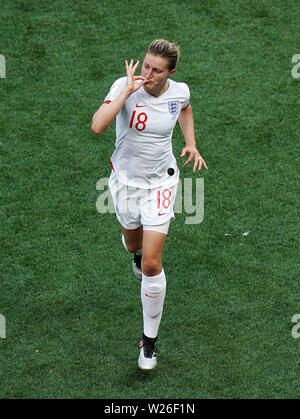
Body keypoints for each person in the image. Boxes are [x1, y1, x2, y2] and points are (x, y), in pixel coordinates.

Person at [91, 39, 208, 371]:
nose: (148, 74)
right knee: (133, 244)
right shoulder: (124, 87)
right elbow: (98, 125)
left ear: (170, 72)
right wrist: (127, 92)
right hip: (126, 183)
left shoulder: (179, 91)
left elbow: (185, 107)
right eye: (145, 66)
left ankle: (149, 343)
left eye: (157, 70)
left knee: (152, 265)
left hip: (161, 182)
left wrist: (191, 143)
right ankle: (137, 253)